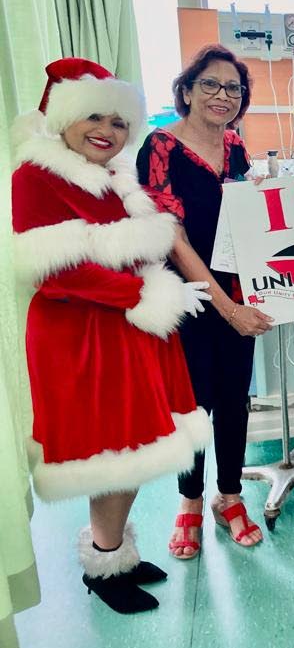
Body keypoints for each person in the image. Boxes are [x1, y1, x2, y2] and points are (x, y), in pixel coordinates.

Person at [10, 58, 213, 614]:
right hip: (83, 339)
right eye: (93, 116)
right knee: (112, 451)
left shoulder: (115, 178)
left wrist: (147, 292)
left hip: (126, 331)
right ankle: (103, 566)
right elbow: (56, 272)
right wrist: (145, 296)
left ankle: (115, 551)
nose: (107, 130)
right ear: (62, 118)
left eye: (119, 121)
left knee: (135, 450)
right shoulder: (35, 175)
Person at [136, 44, 274, 558]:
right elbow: (174, 237)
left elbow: (243, 216)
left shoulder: (235, 145)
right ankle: (190, 502)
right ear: (187, 91)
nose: (223, 95)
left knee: (235, 398)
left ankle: (230, 497)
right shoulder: (160, 147)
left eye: (234, 88)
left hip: (240, 289)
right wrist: (226, 307)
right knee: (192, 406)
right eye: (211, 85)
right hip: (190, 296)